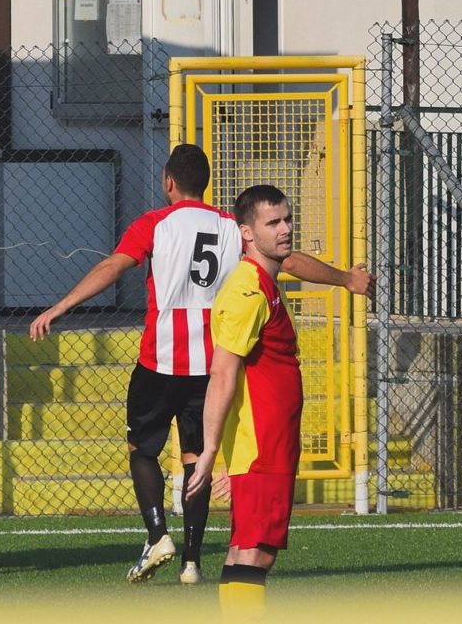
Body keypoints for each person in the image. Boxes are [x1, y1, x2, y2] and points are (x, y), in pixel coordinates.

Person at [29, 144, 374, 585]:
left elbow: (115, 267)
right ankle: (193, 560)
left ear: (168, 181)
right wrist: (346, 278)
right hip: (212, 361)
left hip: (161, 358)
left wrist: (60, 307)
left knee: (143, 449)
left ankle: (158, 534)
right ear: (206, 182)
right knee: (197, 456)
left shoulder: (154, 222)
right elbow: (289, 261)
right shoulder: (233, 226)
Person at [184, 185, 303, 620]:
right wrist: (213, 451)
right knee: (256, 551)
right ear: (247, 233)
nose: (285, 229)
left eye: (287, 218)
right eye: (273, 223)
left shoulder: (261, 282)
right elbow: (222, 373)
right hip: (262, 446)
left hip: (266, 444)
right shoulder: (248, 291)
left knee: (247, 549)